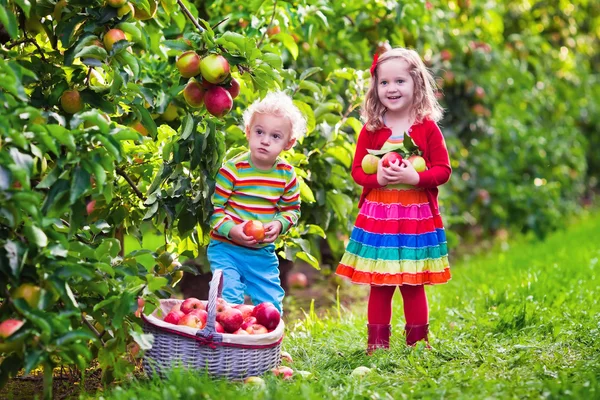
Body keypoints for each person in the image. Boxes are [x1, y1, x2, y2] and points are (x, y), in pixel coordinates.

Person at [336, 48, 452, 352]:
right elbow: (359, 171)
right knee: (381, 283)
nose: (392, 89)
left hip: (415, 219)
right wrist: (377, 179)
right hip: (381, 220)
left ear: (416, 83)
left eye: (399, 81)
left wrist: (416, 179)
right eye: (384, 83)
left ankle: (417, 342)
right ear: (375, 87)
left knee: (413, 284)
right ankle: (377, 345)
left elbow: (443, 170)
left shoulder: (426, 128)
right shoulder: (373, 129)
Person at [207, 91, 307, 313]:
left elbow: (291, 210)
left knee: (270, 303)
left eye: (275, 136)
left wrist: (280, 224)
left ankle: (268, 345)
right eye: (260, 132)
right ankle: (228, 345)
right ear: (248, 132)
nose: (265, 140)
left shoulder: (286, 175)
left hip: (261, 253)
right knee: (228, 298)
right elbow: (216, 212)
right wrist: (232, 230)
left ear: (289, 143)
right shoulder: (232, 170)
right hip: (226, 249)